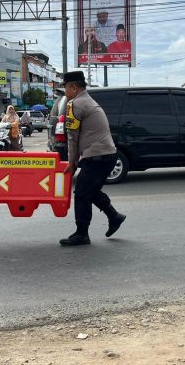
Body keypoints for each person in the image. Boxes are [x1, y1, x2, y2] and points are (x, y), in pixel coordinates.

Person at [59, 71, 126, 246]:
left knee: (81, 193)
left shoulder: (75, 104)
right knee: (90, 190)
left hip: (98, 156)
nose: (64, 92)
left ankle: (82, 234)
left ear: (73, 87)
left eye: (65, 87)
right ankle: (114, 216)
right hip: (106, 155)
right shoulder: (88, 100)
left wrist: (72, 164)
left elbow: (72, 137)